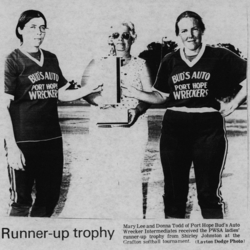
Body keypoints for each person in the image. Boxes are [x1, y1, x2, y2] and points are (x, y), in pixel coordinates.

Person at [122, 11, 247, 219]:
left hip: (208, 127)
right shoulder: (170, 59)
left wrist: (235, 103)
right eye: (184, 31)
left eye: (194, 28)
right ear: (178, 34)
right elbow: (161, 96)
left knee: (208, 193)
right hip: (174, 127)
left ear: (202, 30)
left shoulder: (219, 55)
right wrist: (135, 93)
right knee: (173, 194)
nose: (190, 35)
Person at [4, 10, 101, 217]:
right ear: (20, 30)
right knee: (21, 201)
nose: (39, 32)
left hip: (52, 140)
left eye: (42, 27)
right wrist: (11, 146)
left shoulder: (51, 58)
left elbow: (60, 94)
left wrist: (90, 87)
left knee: (49, 197)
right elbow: (2, 107)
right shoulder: (12, 61)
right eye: (32, 27)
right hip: (23, 140)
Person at [61, 21, 152, 218]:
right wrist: (100, 101)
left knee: (128, 173)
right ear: (109, 38)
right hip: (103, 125)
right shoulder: (97, 62)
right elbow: (84, 92)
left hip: (133, 126)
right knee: (103, 172)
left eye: (125, 36)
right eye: (116, 35)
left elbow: (149, 96)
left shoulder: (141, 64)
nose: (120, 40)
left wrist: (137, 109)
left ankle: (128, 219)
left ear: (133, 38)